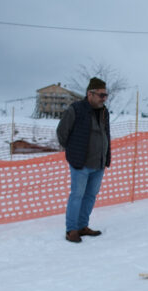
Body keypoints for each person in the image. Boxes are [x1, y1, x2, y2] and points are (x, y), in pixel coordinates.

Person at [56, 77, 110, 243]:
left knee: (90, 196)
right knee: (77, 196)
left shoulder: (104, 112)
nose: (104, 98)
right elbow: (62, 133)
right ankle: (71, 230)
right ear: (90, 94)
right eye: (101, 95)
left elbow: (106, 135)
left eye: (105, 95)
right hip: (81, 163)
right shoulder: (76, 109)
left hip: (98, 164)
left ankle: (82, 226)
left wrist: (105, 157)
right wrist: (74, 152)